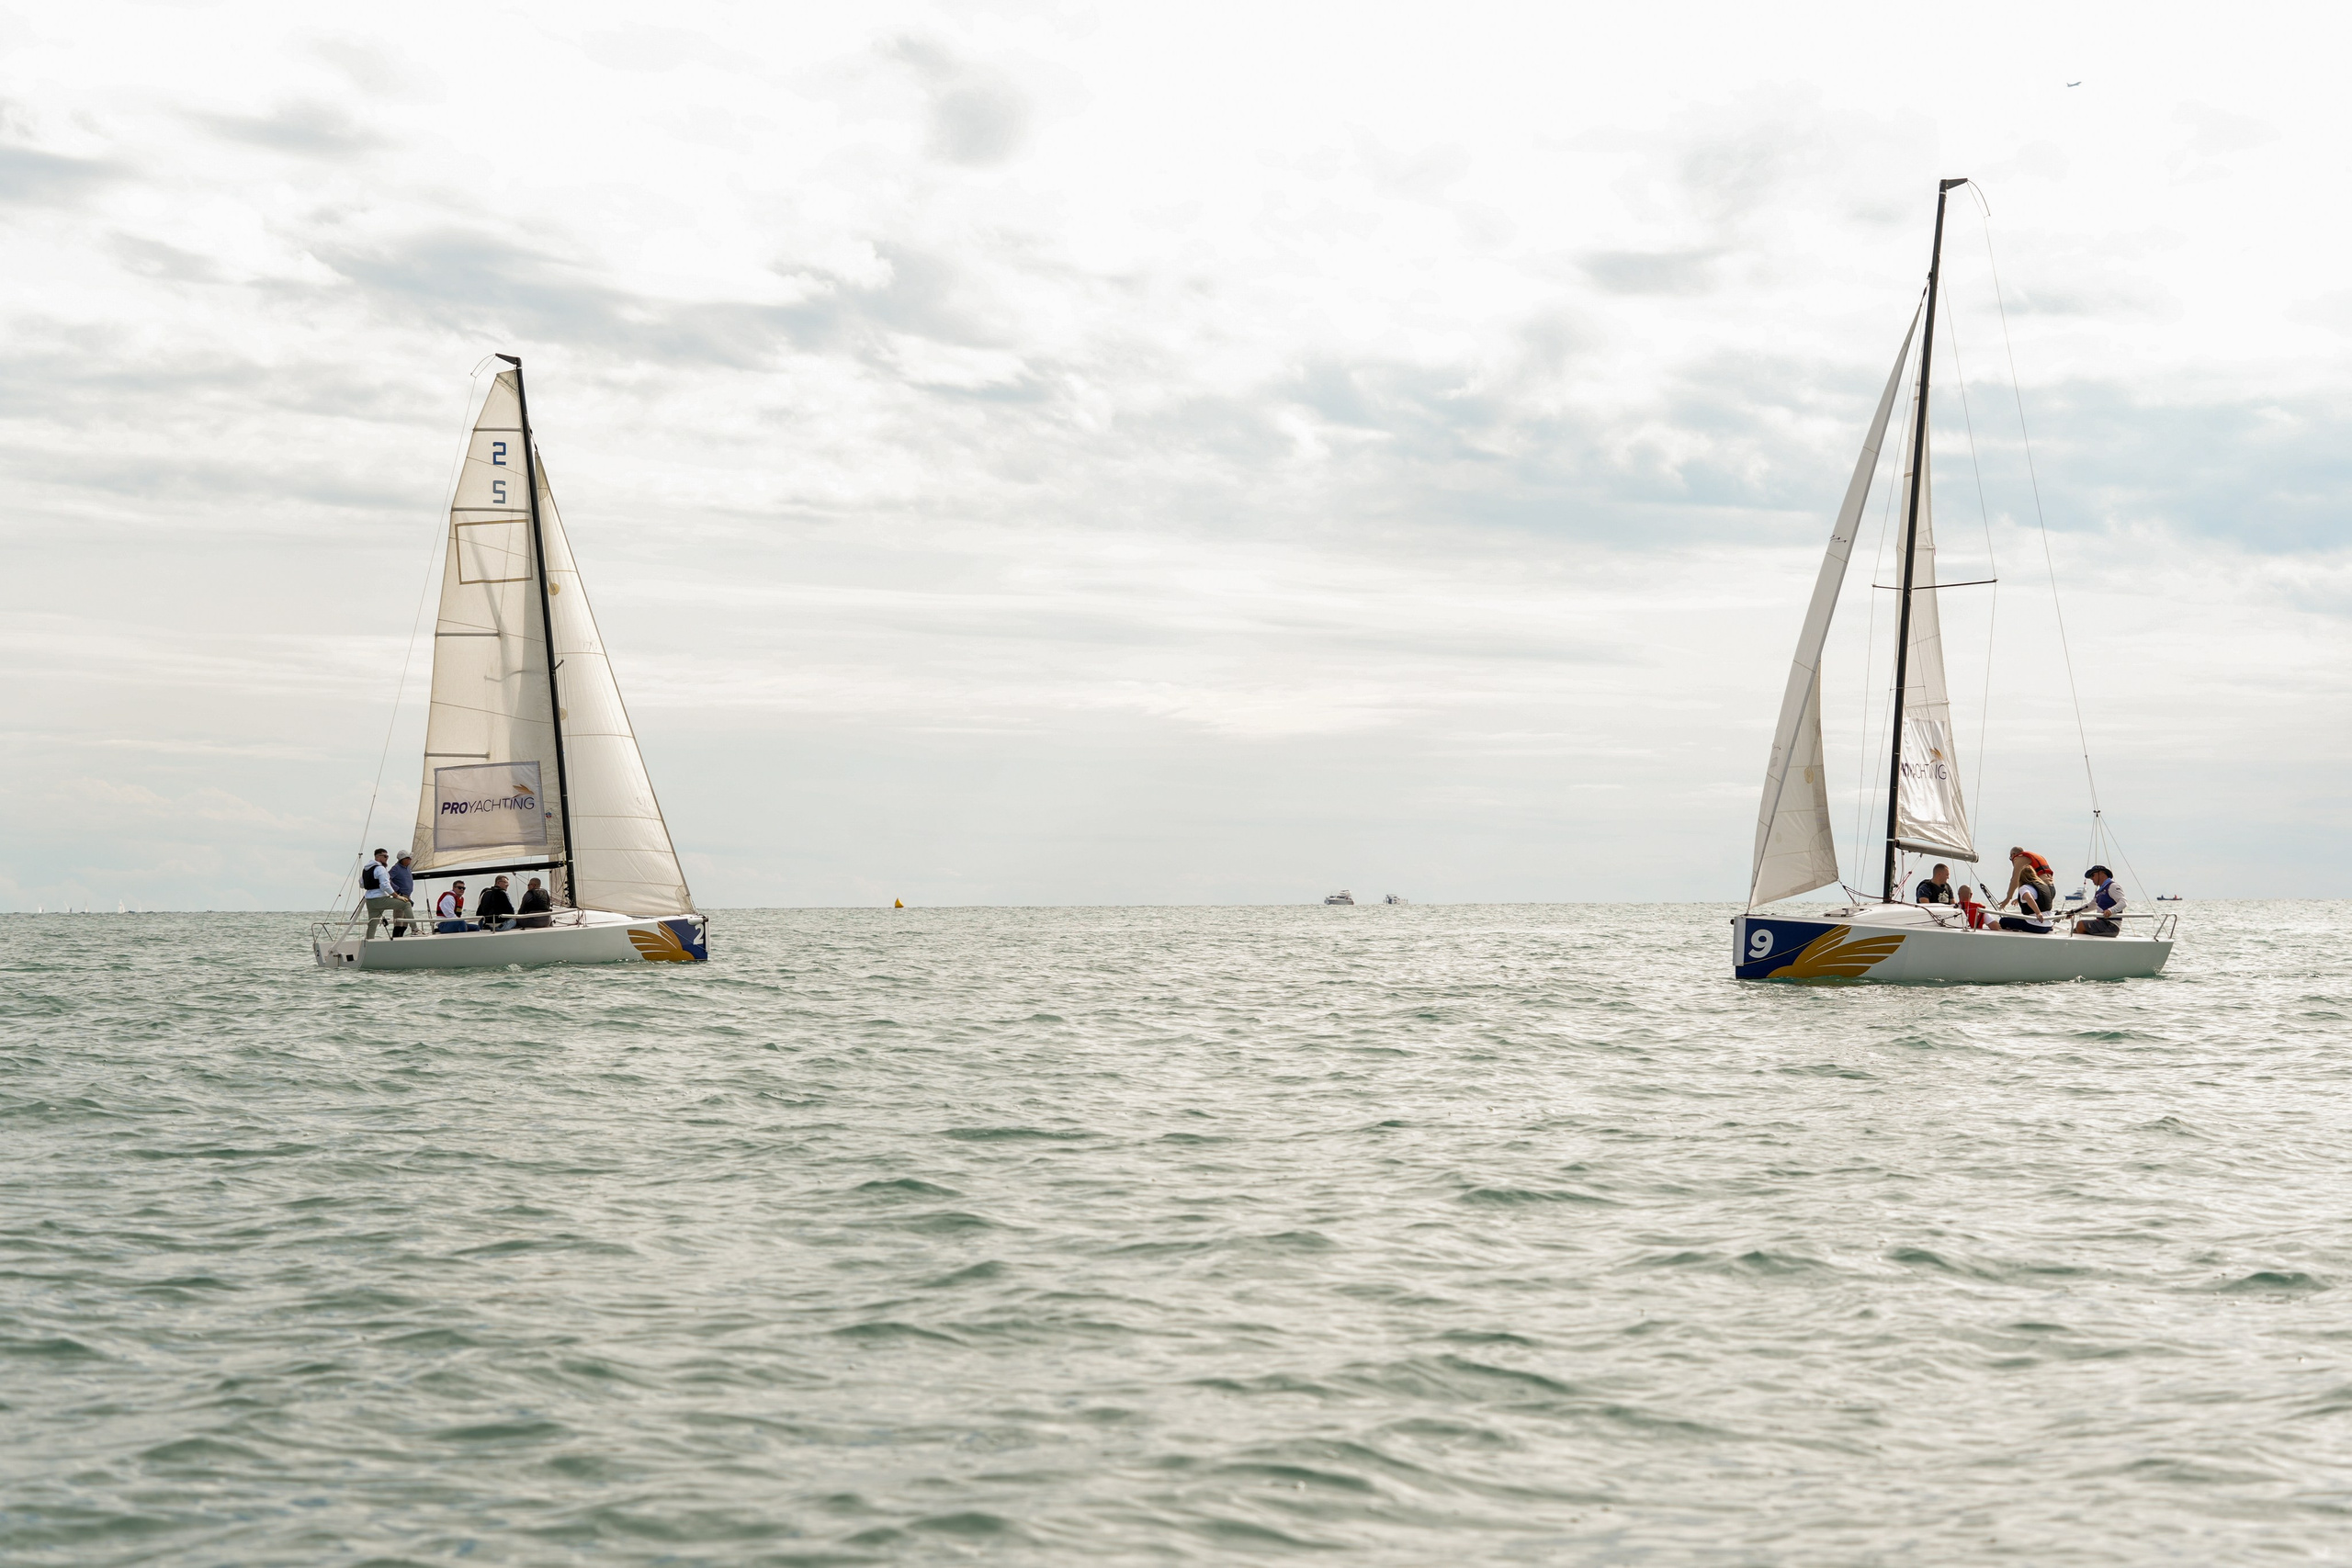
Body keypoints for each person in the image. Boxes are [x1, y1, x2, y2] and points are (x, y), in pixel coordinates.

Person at [2000, 846, 2057, 917]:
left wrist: (2008, 899)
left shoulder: (2019, 858)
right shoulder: (2031, 857)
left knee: (2028, 909)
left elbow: (2015, 879)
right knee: (2043, 911)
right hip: (2051, 890)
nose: (2012, 860)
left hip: (2041, 890)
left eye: (2010, 858)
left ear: (2013, 854)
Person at [2075, 864, 2126, 936]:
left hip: (2111, 925)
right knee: (2074, 931)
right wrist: (2073, 912)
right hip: (2102, 922)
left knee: (2080, 925)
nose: (2091, 878)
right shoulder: (2100, 891)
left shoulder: (2113, 886)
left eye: (2093, 875)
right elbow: (2090, 906)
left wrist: (2111, 910)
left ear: (2101, 873)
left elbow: (2123, 902)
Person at [357, 849, 398, 938]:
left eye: (387, 856)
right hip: (380, 898)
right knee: (406, 904)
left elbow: (361, 884)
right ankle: (414, 929)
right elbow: (385, 885)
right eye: (385, 856)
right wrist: (396, 896)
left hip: (369, 899)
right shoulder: (380, 868)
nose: (387, 858)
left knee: (372, 924)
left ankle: (368, 942)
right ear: (378, 857)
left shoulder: (366, 869)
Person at [387, 852, 417, 938]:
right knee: (399, 920)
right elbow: (387, 878)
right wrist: (397, 890)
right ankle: (395, 940)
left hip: (407, 896)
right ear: (402, 859)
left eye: (410, 858)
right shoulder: (396, 868)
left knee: (405, 922)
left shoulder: (408, 868)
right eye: (408, 858)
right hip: (400, 896)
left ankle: (401, 938)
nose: (410, 860)